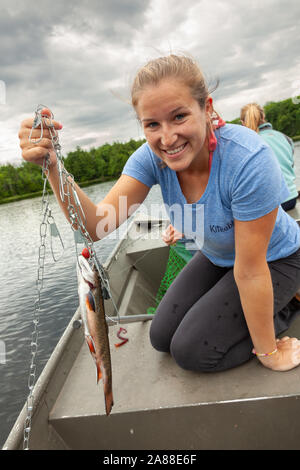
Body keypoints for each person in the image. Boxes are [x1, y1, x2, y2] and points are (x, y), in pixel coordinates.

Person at [19, 54, 300, 373]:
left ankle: (286, 305)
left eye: (179, 116)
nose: (167, 138)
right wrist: (53, 165)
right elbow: (95, 226)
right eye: (152, 124)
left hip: (274, 260)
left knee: (193, 353)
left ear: (207, 108)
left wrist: (268, 352)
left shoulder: (248, 159)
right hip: (219, 257)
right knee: (162, 336)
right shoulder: (150, 159)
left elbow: (250, 271)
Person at [240, 102, 298, 212]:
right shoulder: (284, 137)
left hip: (273, 205)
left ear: (242, 123)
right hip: (292, 198)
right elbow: (290, 166)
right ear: (263, 117)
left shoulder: (249, 143)